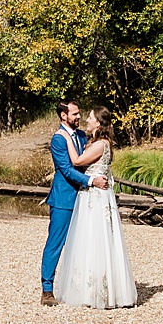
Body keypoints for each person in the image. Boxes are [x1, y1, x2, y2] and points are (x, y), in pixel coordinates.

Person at [51, 108, 138, 309]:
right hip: (94, 195)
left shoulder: (100, 144)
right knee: (92, 240)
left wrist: (64, 136)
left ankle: (94, 293)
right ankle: (93, 289)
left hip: (95, 197)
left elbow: (76, 161)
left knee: (94, 239)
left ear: (98, 123)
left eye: (90, 117)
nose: (86, 120)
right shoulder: (98, 142)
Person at [40, 100, 102, 305]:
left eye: (79, 113)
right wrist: (92, 181)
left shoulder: (83, 136)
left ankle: (82, 288)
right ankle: (47, 289)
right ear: (63, 116)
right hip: (64, 198)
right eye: (74, 114)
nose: (78, 117)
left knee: (84, 243)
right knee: (56, 242)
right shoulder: (58, 140)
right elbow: (66, 169)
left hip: (85, 199)